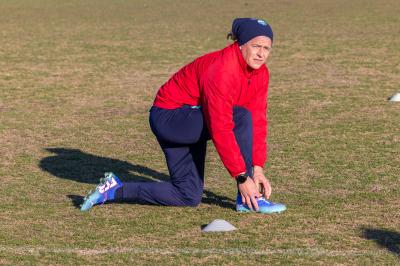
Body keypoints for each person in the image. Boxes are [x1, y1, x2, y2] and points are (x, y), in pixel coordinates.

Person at [81, 18, 286, 214]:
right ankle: (248, 199)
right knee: (239, 116)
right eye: (256, 46)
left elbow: (258, 120)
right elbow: (221, 126)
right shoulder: (223, 69)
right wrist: (242, 177)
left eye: (266, 48)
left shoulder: (261, 74)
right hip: (170, 118)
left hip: (191, 119)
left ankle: (114, 189)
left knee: (188, 195)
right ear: (241, 45)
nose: (261, 54)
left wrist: (257, 169)